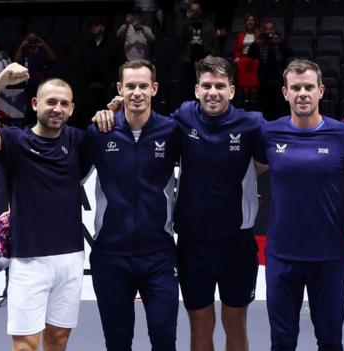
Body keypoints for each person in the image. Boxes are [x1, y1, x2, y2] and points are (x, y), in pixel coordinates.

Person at [96, 55, 264, 351]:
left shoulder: (252, 125)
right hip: (192, 244)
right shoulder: (182, 119)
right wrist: (109, 110)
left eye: (220, 86)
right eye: (207, 85)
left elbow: (279, 151)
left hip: (236, 243)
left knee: (235, 322)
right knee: (200, 323)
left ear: (232, 91)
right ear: (197, 90)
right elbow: (141, 119)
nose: (213, 92)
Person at [0, 63, 85, 351]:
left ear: (71, 109)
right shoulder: (15, 141)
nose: (57, 108)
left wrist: (111, 110)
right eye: (51, 101)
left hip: (71, 259)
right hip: (28, 261)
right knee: (25, 345)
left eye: (64, 104)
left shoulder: (78, 141)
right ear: (35, 104)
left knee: (58, 342)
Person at [255, 59, 344, 350]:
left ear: (321, 91)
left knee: (331, 341)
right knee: (282, 341)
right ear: (285, 93)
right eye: (296, 88)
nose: (302, 93)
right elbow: (241, 173)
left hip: (329, 256)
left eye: (309, 87)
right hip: (282, 255)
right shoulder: (268, 134)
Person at [81, 59, 180, 351]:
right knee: (118, 341)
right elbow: (65, 177)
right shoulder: (99, 132)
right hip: (110, 256)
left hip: (159, 255)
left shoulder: (172, 131)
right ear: (120, 89)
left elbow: (204, 165)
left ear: (154, 88)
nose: (137, 92)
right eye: (131, 86)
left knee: (164, 339)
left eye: (143, 86)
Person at [75, 19, 118, 129]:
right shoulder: (86, 44)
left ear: (103, 28)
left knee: (106, 115)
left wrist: (112, 82)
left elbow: (116, 64)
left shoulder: (111, 44)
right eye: (92, 25)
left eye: (97, 25)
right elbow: (80, 64)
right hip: (88, 87)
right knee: (88, 115)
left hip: (106, 87)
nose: (93, 27)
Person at [247, 19, 291, 121]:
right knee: (265, 107)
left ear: (274, 29)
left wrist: (279, 43)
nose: (269, 31)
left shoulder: (280, 39)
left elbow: (289, 52)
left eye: (271, 29)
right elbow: (250, 55)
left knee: (280, 107)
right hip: (264, 79)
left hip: (278, 79)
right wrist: (255, 43)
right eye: (267, 29)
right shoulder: (261, 42)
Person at [177, 1, 218, 101]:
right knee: (188, 86)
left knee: (203, 85)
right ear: (189, 11)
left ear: (200, 11)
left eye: (197, 10)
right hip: (189, 59)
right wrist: (188, 19)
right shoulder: (185, 24)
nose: (195, 12)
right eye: (192, 10)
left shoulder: (208, 24)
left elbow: (215, 42)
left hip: (204, 60)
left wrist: (211, 56)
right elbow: (179, 35)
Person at [15, 32, 57, 125]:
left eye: (35, 40)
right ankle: (29, 125)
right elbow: (16, 61)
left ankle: (42, 123)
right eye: (30, 41)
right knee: (29, 108)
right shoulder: (25, 52)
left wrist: (43, 44)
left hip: (41, 83)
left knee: (41, 105)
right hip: (28, 83)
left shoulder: (42, 51)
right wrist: (21, 47)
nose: (32, 43)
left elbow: (53, 58)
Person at [233, 14, 260, 94]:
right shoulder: (241, 35)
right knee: (243, 81)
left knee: (254, 81)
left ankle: (253, 98)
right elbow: (237, 50)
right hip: (243, 60)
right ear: (245, 23)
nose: (250, 22)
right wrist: (237, 59)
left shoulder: (258, 35)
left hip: (255, 60)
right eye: (248, 20)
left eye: (252, 20)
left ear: (255, 22)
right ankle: (244, 98)